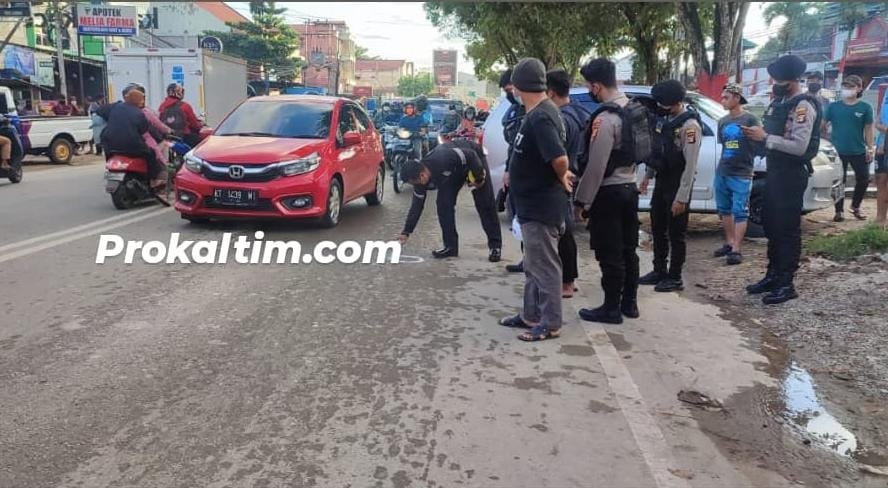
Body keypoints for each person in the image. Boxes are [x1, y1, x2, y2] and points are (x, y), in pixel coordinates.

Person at [497, 58, 571, 342]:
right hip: (531, 204)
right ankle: (530, 314)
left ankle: (550, 323)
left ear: (518, 86)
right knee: (533, 264)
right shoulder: (538, 112)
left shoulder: (541, 116)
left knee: (545, 266)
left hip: (541, 205)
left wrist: (561, 175)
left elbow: (559, 157)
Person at [742, 54, 822, 305]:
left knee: (787, 229)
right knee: (772, 224)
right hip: (775, 172)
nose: (773, 82)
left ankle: (786, 283)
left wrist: (765, 138)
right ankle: (773, 275)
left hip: (791, 174)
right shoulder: (779, 101)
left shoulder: (803, 106)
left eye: (777, 79)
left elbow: (799, 146)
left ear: (791, 80)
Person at [574, 58, 641, 323]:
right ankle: (630, 304)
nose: (590, 91)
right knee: (628, 248)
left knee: (610, 251)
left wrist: (582, 201)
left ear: (597, 86)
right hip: (630, 187)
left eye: (589, 86)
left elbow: (596, 166)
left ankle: (611, 308)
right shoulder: (635, 109)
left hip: (609, 193)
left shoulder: (606, 118)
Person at [637, 80, 702, 293]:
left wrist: (682, 197)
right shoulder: (665, 120)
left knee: (676, 233)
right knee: (658, 227)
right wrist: (648, 176)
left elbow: (690, 165)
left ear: (674, 102)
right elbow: (658, 152)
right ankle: (659, 269)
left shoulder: (689, 126)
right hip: (663, 181)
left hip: (678, 183)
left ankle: (675, 277)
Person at [397, 139, 502, 261]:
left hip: (473, 159)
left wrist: (478, 178)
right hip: (452, 173)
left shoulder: (441, 158)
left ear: (422, 175)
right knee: (443, 205)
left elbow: (471, 155)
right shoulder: (419, 181)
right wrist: (406, 231)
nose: (416, 186)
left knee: (484, 203)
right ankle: (450, 247)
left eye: (415, 182)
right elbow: (416, 206)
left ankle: (495, 247)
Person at [546, 69, 591, 298]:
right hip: (575, 175)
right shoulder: (580, 112)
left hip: (563, 178)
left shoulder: (561, 119)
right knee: (565, 229)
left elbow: (558, 155)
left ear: (551, 93)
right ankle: (568, 280)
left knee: (561, 230)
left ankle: (566, 281)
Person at [711, 83, 761, 266]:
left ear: (737, 98)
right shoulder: (722, 122)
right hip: (723, 170)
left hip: (741, 172)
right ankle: (729, 242)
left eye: (726, 97)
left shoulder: (750, 120)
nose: (722, 100)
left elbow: (759, 142)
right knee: (724, 209)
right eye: (722, 97)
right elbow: (724, 145)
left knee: (740, 210)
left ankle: (737, 248)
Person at [97, 83, 169, 205]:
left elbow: (100, 110)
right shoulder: (140, 113)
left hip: (110, 143)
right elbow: (143, 129)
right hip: (131, 145)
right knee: (151, 155)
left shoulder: (115, 107)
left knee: (110, 154)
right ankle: (155, 182)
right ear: (139, 101)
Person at [823, 75, 875, 222]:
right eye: (845, 86)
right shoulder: (834, 107)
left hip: (858, 150)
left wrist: (870, 148)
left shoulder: (865, 108)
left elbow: (869, 129)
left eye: (851, 87)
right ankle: (839, 211)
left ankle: (855, 206)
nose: (847, 89)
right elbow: (823, 125)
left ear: (859, 88)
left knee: (864, 179)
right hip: (838, 151)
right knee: (840, 181)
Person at [500, 67, 527, 274]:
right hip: (520, 175)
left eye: (511, 90)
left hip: (538, 184)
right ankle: (527, 260)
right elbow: (514, 147)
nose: (511, 95)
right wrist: (509, 170)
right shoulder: (518, 111)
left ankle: (567, 278)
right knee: (521, 223)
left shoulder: (541, 114)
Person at [158, 83, 202, 147]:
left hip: (167, 137)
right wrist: (199, 125)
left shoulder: (162, 106)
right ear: (179, 92)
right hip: (183, 137)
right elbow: (195, 125)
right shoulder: (185, 106)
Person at [876, 94, 888, 227]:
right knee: (880, 180)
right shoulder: (886, 93)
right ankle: (880, 218)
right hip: (881, 145)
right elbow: (878, 122)